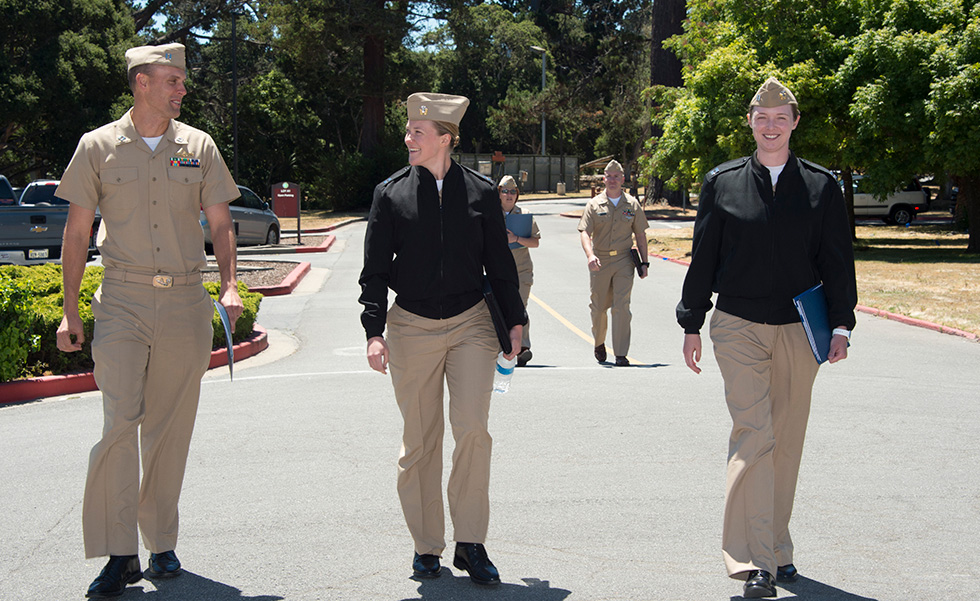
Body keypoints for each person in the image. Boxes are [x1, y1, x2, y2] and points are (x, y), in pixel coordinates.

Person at [55, 43, 243, 598]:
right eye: (172, 81)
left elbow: (221, 220)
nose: (181, 89)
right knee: (120, 424)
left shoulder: (198, 146)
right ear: (142, 83)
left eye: (181, 81)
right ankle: (120, 552)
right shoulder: (98, 147)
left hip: (185, 303)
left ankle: (161, 543)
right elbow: (75, 232)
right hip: (123, 302)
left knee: (169, 428)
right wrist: (70, 312)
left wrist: (230, 282)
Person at [676, 77, 857, 599]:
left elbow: (836, 260)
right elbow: (704, 255)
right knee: (754, 435)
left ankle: (776, 546)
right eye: (762, 117)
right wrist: (692, 321)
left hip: (802, 329)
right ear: (750, 123)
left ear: (795, 122)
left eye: (781, 117)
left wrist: (841, 324)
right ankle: (754, 561)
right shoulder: (722, 182)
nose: (771, 125)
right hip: (737, 326)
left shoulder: (822, 186)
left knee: (786, 441)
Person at [358, 92, 525, 586]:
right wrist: (374, 330)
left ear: (445, 138)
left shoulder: (479, 192)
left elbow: (500, 262)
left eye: (418, 132)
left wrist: (514, 321)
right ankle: (426, 545)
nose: (408, 139)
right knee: (421, 441)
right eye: (409, 131)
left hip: (472, 321)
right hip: (410, 325)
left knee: (473, 430)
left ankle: (471, 542)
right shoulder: (389, 194)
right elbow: (372, 271)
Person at [578, 159, 649, 366]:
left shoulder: (632, 204)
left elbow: (641, 235)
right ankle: (599, 343)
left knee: (622, 306)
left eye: (617, 176)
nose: (613, 180)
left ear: (623, 179)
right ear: (604, 179)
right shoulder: (594, 204)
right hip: (600, 259)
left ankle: (620, 353)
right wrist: (590, 255)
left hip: (624, 260)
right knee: (598, 306)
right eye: (609, 176)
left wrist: (644, 263)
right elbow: (585, 232)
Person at [498, 174, 540, 367]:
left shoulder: (524, 214)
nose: (509, 195)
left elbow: (535, 242)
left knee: (520, 307)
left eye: (512, 192)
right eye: (505, 191)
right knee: (499, 309)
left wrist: (516, 239)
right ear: (498, 193)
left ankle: (522, 348)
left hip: (521, 270)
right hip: (498, 270)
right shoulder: (490, 214)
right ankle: (502, 345)